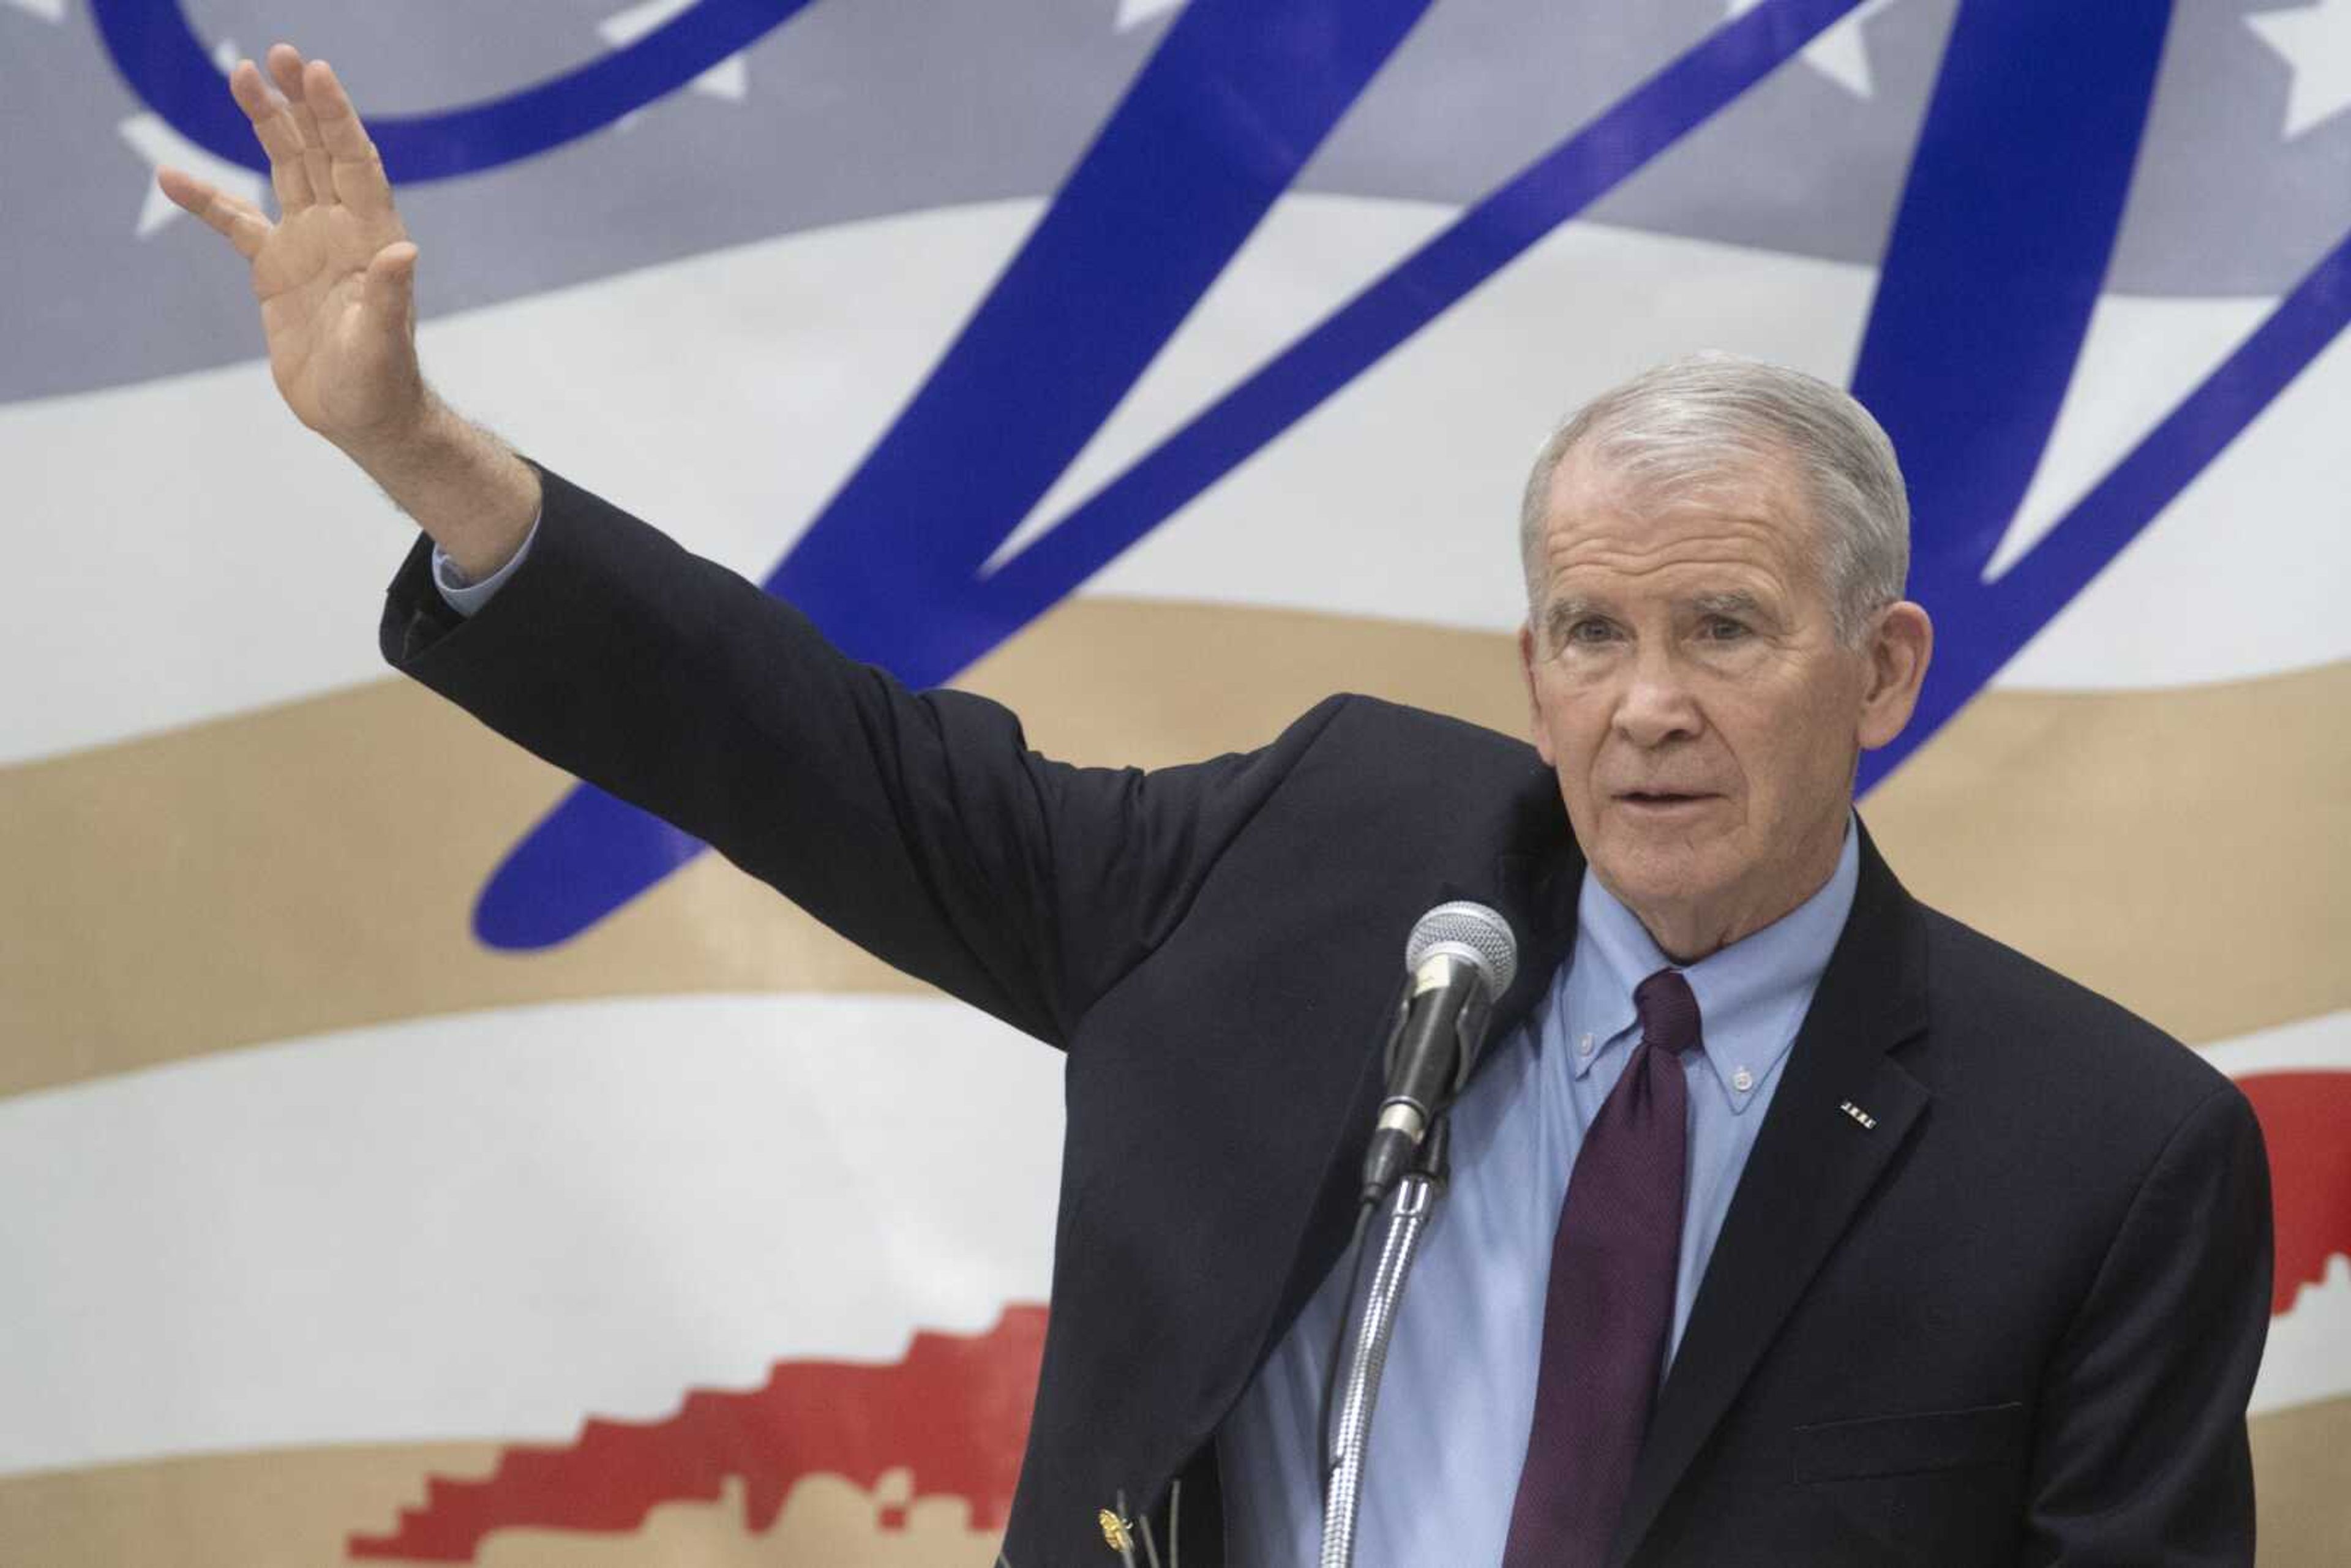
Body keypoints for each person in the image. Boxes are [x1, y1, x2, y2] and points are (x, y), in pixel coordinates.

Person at [163, 46, 2273, 1567]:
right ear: (1528, 665)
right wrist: (424, 452)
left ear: (1880, 671)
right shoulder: (1327, 861)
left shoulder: (2105, 1154)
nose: (1645, 709)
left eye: (1723, 628)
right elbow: (835, 763)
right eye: (1586, 633)